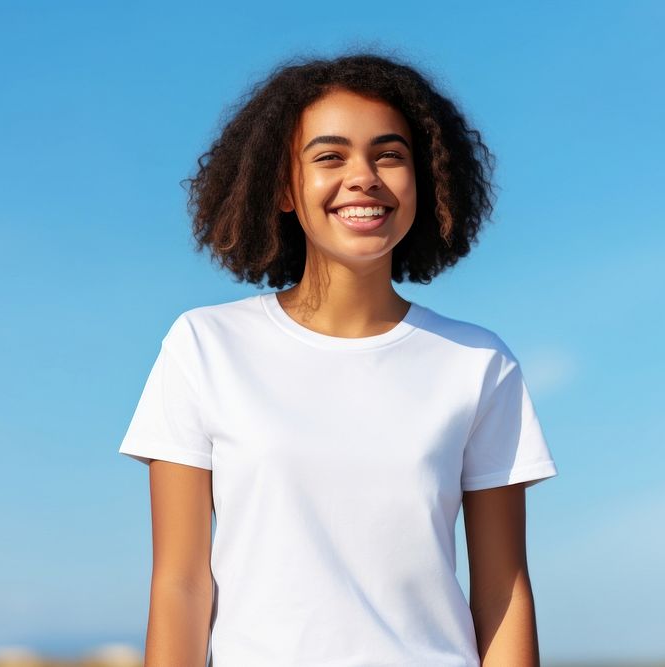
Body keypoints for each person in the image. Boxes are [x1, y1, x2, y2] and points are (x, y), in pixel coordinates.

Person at [118, 51, 559, 667]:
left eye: (389, 155)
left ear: (424, 178)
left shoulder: (479, 363)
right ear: (282, 189)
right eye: (329, 156)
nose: (364, 177)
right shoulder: (203, 346)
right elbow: (181, 586)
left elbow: (503, 589)